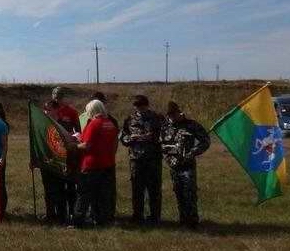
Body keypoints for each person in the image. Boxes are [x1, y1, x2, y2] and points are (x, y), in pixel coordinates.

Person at [160, 101, 210, 229]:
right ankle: (183, 220)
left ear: (178, 112)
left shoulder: (191, 125)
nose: (171, 117)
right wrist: (167, 155)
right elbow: (162, 144)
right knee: (179, 193)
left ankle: (192, 222)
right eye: (169, 115)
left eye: (173, 114)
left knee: (190, 193)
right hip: (174, 166)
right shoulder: (166, 127)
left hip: (187, 165)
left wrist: (192, 152)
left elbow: (205, 141)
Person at [71, 99, 119, 227]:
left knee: (84, 194)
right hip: (107, 164)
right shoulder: (110, 123)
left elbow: (87, 145)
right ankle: (102, 220)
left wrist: (73, 146)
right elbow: (114, 145)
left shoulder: (94, 124)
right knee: (102, 195)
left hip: (91, 165)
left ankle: (78, 221)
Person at [120, 94, 164, 225]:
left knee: (154, 189)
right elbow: (123, 137)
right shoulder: (130, 119)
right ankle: (137, 216)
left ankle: (154, 217)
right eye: (137, 107)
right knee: (137, 189)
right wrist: (130, 139)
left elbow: (166, 136)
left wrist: (153, 138)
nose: (139, 109)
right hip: (136, 159)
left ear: (147, 105)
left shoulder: (157, 118)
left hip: (153, 159)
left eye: (142, 106)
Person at [45, 88, 81, 226]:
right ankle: (53, 213)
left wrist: (74, 142)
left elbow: (78, 131)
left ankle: (72, 212)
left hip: (68, 152)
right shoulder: (47, 110)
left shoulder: (71, 112)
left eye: (59, 96)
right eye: (54, 96)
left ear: (63, 97)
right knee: (54, 186)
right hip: (52, 153)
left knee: (70, 185)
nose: (56, 98)